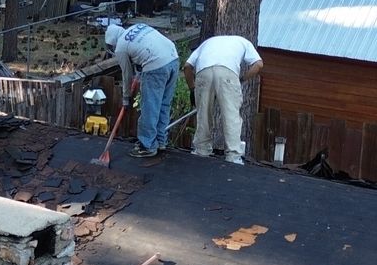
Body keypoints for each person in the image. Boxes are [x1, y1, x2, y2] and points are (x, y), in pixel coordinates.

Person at [106, 21, 180, 158]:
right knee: (164, 104)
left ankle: (147, 145)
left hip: (155, 65)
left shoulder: (121, 47)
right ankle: (160, 141)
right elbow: (146, 47)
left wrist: (126, 97)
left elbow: (126, 75)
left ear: (112, 42)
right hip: (173, 58)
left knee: (149, 106)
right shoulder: (137, 26)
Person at [186, 34, 263, 164]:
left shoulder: (207, 42)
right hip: (228, 72)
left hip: (203, 72)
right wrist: (243, 78)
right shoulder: (244, 42)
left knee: (203, 114)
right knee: (231, 115)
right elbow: (258, 64)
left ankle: (201, 150)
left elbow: (187, 67)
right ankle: (233, 156)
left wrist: (192, 89)